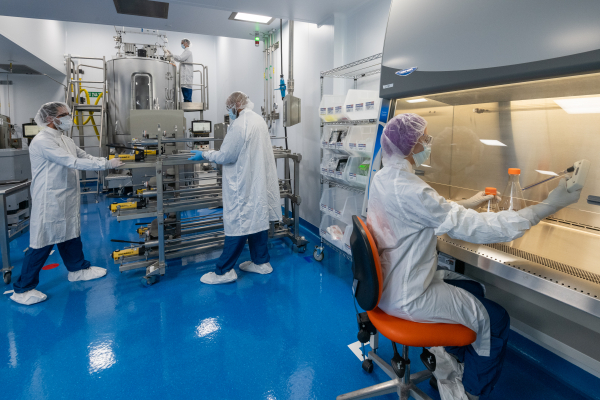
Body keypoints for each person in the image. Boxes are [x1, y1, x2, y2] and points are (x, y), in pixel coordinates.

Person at [366, 113, 582, 400]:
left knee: (473, 288)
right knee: (496, 319)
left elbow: (419, 212)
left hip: (389, 285)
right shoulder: (409, 188)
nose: (429, 144)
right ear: (412, 146)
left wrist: (464, 204)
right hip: (408, 296)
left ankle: (450, 358)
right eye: (425, 139)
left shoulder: (385, 177)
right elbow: (475, 227)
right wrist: (545, 207)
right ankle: (469, 392)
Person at [10, 102, 124, 305]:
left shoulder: (65, 139)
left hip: (67, 196)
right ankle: (22, 289)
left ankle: (78, 270)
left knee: (70, 233)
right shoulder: (42, 141)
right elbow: (71, 162)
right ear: (49, 119)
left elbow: (83, 156)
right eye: (64, 115)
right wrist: (106, 165)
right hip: (49, 200)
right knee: (42, 242)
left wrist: (108, 159)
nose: (69, 118)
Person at [188, 92, 281, 284]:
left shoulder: (240, 124)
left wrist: (205, 154)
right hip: (257, 181)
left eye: (229, 107)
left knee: (238, 222)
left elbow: (226, 155)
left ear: (237, 104)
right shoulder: (258, 120)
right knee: (257, 218)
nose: (229, 111)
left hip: (243, 183)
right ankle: (261, 262)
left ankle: (224, 271)